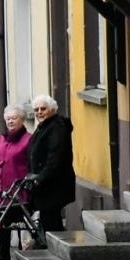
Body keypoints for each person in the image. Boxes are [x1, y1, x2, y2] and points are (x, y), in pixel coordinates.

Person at [26, 93, 75, 239]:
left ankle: (56, 252)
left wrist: (40, 179)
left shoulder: (56, 128)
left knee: (52, 223)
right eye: (36, 110)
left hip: (53, 184)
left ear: (52, 110)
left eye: (43, 109)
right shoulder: (44, 127)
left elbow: (55, 158)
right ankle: (53, 249)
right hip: (45, 185)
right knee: (48, 220)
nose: (39, 112)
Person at [0, 103, 34, 258]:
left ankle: (25, 249)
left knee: (18, 220)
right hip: (2, 190)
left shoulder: (28, 140)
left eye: (14, 118)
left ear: (22, 120)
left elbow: (32, 165)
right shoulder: (0, 140)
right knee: (1, 220)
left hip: (19, 191)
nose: (10, 121)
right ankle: (3, 253)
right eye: (8, 119)